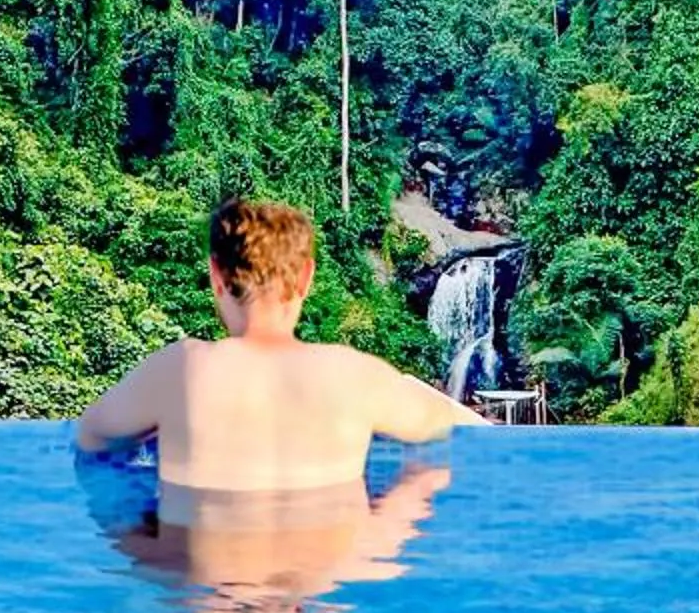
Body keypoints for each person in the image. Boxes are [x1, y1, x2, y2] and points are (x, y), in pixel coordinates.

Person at [74, 194, 481, 493]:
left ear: (217, 277)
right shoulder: (355, 378)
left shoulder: (176, 372)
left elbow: (90, 440)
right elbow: (458, 431)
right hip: (315, 589)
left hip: (204, 594)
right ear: (306, 278)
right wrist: (379, 532)